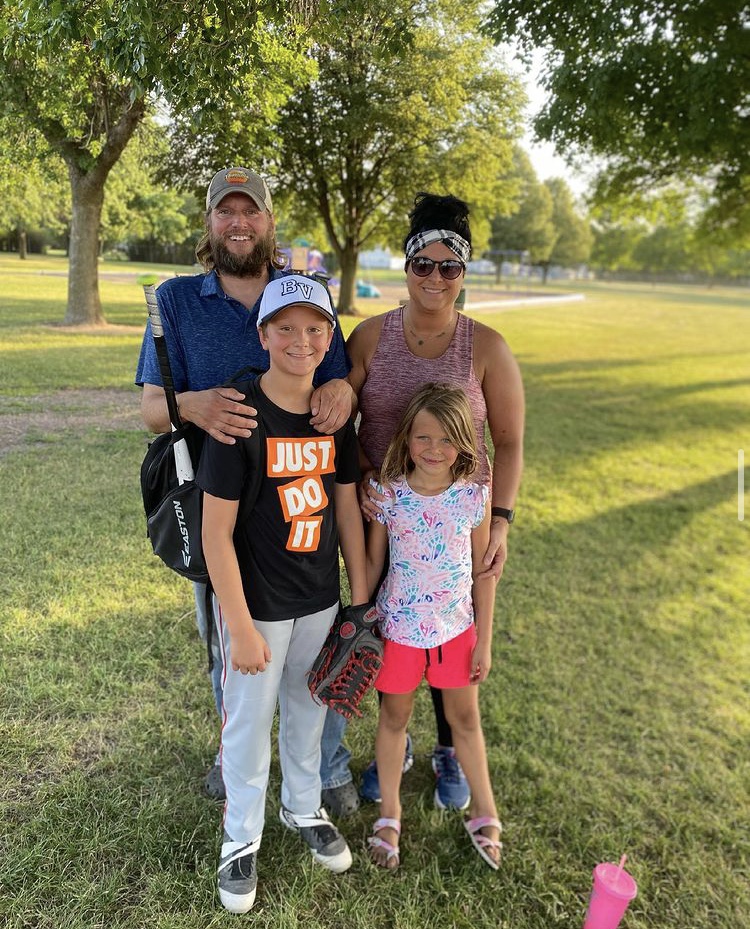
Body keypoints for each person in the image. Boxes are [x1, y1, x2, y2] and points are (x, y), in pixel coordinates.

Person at [135, 166, 359, 815]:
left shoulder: (304, 295)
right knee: (230, 635)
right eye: (226, 212)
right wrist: (195, 404)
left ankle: (327, 763)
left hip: (301, 505)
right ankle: (237, 757)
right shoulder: (177, 299)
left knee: (317, 644)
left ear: (268, 220)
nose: (239, 223)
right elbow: (152, 409)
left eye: (250, 211)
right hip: (221, 502)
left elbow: (338, 380)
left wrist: (345, 388)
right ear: (210, 223)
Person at [323, 191, 524, 810]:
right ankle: (397, 742)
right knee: (393, 624)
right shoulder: (370, 337)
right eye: (422, 264)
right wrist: (358, 472)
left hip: (460, 515)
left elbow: (511, 442)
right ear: (406, 267)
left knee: (453, 628)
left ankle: (446, 751)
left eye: (450, 267)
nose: (435, 279)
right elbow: (340, 408)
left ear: (463, 275)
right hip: (387, 516)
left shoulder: (485, 346)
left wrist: (501, 522)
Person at [197, 274, 370, 913]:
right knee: (247, 723)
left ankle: (303, 806)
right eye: (287, 327)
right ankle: (239, 840)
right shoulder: (240, 415)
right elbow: (217, 536)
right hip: (258, 605)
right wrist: (237, 625)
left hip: (320, 600)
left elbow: (347, 510)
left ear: (330, 339)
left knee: (308, 710)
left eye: (316, 328)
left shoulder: (333, 417)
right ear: (264, 333)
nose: (302, 340)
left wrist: (359, 598)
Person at [365, 383, 502, 870]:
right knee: (393, 721)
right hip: (400, 630)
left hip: (456, 631)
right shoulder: (389, 496)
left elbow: (483, 575)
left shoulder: (473, 498)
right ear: (406, 439)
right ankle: (389, 815)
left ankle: (485, 811)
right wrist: (364, 623)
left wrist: (484, 638)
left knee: (465, 720)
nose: (434, 450)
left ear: (464, 443)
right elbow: (373, 563)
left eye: (446, 440)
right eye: (423, 438)